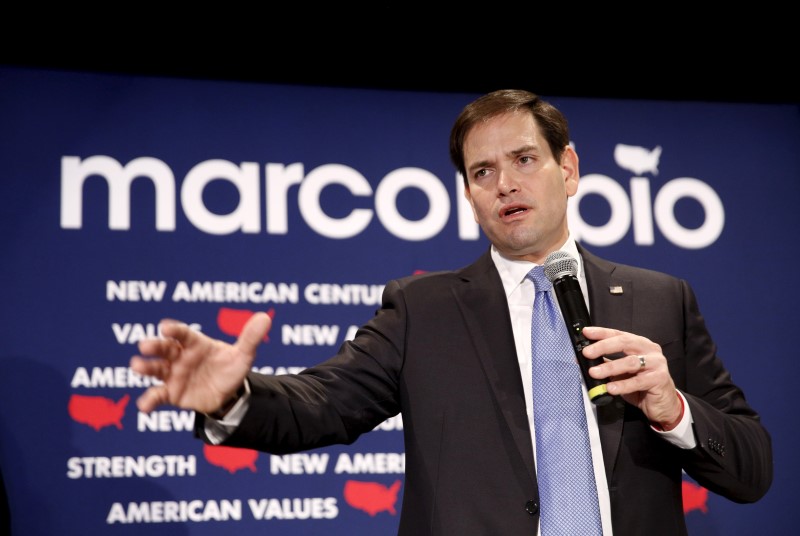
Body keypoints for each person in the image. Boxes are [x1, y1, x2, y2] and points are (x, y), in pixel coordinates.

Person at [130, 89, 773, 535]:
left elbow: (752, 469)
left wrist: (674, 409)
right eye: (482, 171)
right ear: (468, 194)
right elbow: (322, 404)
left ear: (568, 168)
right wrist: (233, 397)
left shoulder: (662, 298)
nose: (505, 184)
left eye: (524, 160)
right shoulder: (422, 309)